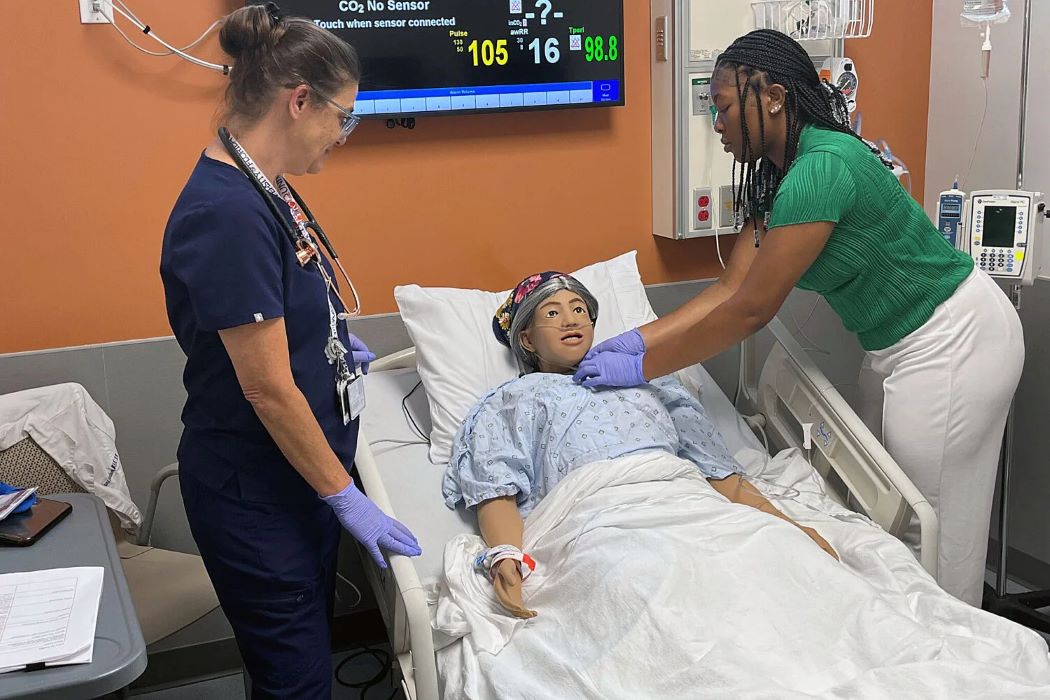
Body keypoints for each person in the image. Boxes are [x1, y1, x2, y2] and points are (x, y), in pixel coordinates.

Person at [572, 29, 1023, 607]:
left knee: (935, 529)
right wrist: (630, 340)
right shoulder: (782, 176)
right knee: (895, 511)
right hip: (897, 347)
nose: (716, 123)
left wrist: (644, 367)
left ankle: (959, 657)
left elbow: (751, 310)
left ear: (776, 98)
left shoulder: (823, 167)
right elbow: (729, 287)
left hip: (954, 338)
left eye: (725, 107)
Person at [159, 4, 420, 697]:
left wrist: (329, 344)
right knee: (296, 683)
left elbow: (282, 312)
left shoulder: (266, 189)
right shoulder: (227, 212)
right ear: (299, 101)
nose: (344, 135)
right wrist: (347, 497)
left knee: (289, 671)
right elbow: (267, 388)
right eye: (343, 117)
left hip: (289, 484)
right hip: (257, 497)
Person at [443, 272, 837, 618]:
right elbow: (497, 487)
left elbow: (721, 476)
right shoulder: (513, 399)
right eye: (552, 313)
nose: (570, 319)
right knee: (644, 586)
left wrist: (788, 528)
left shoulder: (652, 381)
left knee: (767, 575)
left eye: (579, 309)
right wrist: (506, 555)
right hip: (598, 518)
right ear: (526, 339)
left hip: (682, 499)